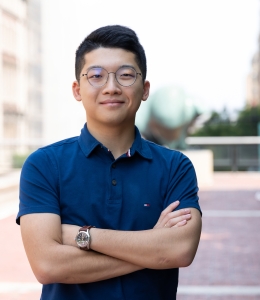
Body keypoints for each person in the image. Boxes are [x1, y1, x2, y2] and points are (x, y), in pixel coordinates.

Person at [16, 25, 202, 300]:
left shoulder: (175, 167)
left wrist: (84, 237)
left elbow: (180, 250)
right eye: (97, 76)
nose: (112, 87)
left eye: (126, 75)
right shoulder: (44, 165)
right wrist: (152, 249)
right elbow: (48, 265)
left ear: (145, 89)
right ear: (77, 89)